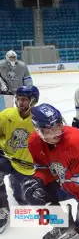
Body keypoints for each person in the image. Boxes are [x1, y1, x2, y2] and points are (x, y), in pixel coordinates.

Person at [23, 103, 79, 239]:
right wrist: (38, 180)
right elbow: (43, 169)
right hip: (64, 179)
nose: (56, 133)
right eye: (49, 130)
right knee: (33, 193)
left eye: (58, 126)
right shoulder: (34, 141)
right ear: (38, 130)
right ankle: (62, 224)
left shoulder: (76, 141)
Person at [0, 86, 39, 233]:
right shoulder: (6, 115)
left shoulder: (39, 118)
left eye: (24, 99)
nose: (20, 102)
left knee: (22, 199)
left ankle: (15, 182)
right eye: (19, 98)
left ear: (33, 101)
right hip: (7, 159)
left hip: (27, 166)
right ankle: (2, 208)